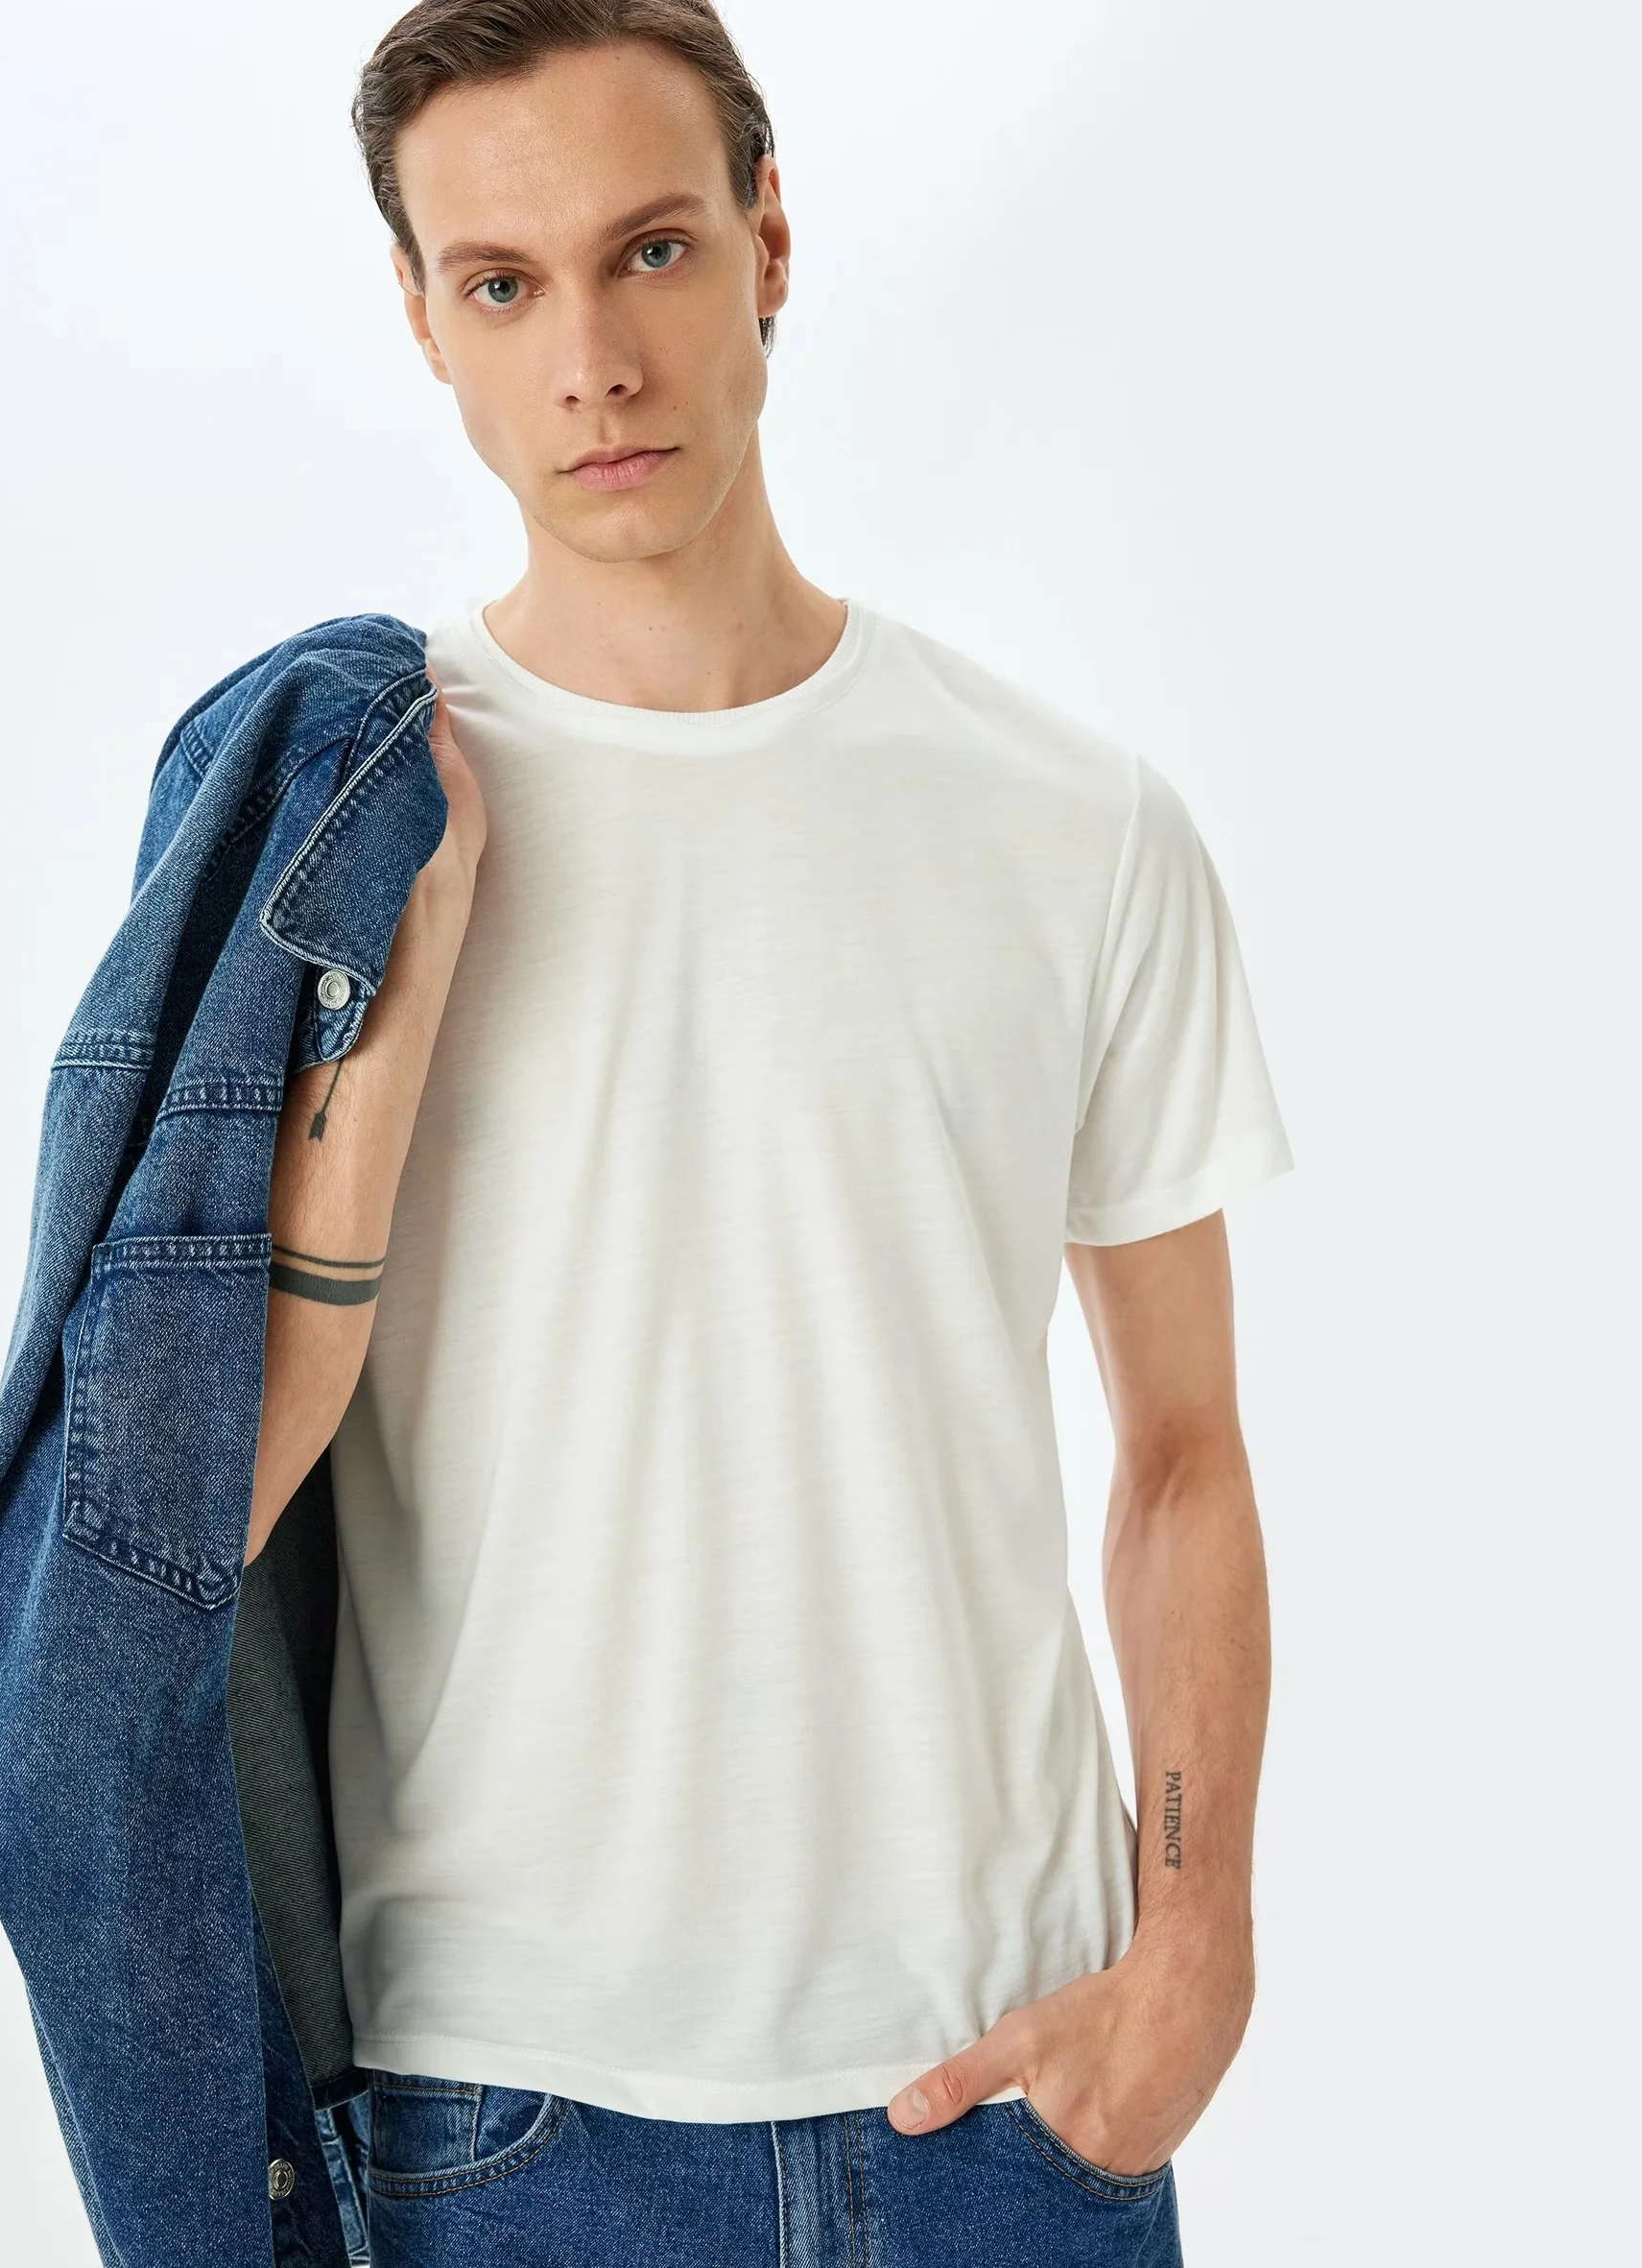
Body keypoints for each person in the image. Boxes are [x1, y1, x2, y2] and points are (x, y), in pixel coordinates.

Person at [248, 2, 1294, 2258]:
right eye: (503, 284)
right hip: (510, 2121)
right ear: (422, 320)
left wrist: (1192, 1949)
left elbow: (1184, 1449)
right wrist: (376, 1066)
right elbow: (178, 1503)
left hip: (1014, 2100)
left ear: (770, 243)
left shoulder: (1070, 823)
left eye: (651, 250)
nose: (592, 363)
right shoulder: (345, 837)